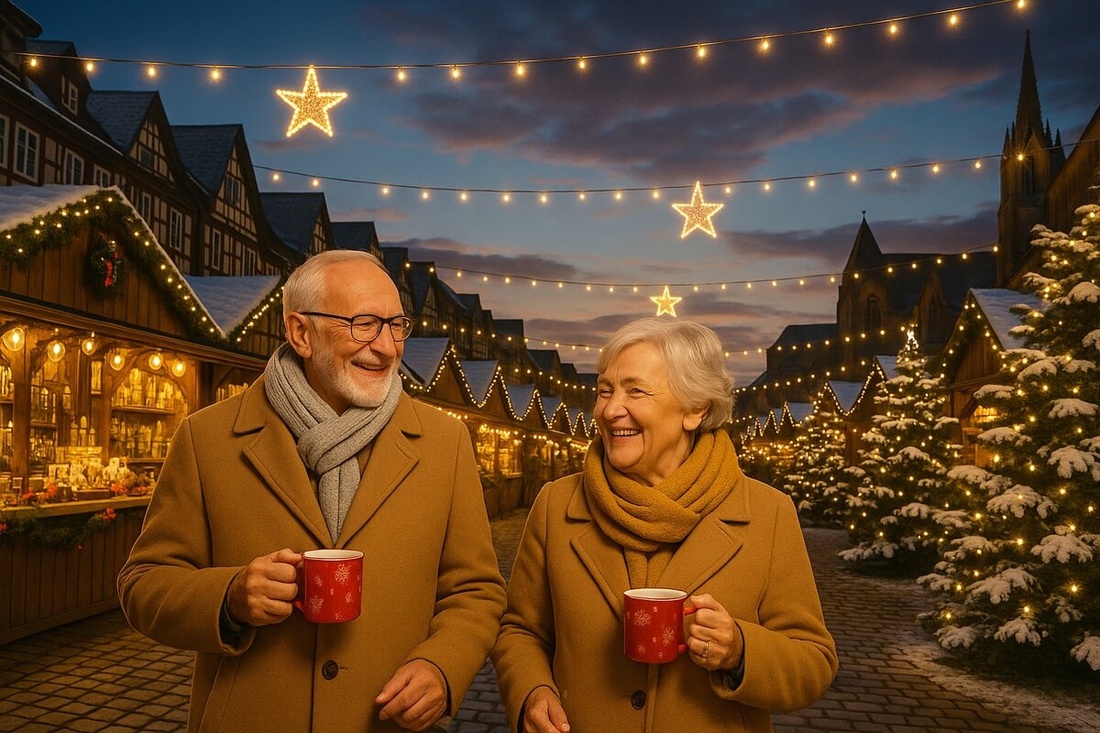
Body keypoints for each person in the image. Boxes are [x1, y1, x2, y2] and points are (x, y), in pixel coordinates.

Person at [118, 250, 506, 733]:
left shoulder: (445, 443)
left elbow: (476, 590)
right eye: (363, 324)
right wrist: (229, 596)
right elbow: (144, 584)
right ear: (301, 332)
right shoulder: (207, 438)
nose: (386, 347)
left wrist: (443, 667)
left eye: (396, 325)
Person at [492, 318, 837, 733]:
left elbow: (813, 664)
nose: (609, 409)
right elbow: (520, 631)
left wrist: (740, 651)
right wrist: (531, 690)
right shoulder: (555, 505)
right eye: (605, 390)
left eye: (635, 390)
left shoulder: (768, 513)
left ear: (695, 409)